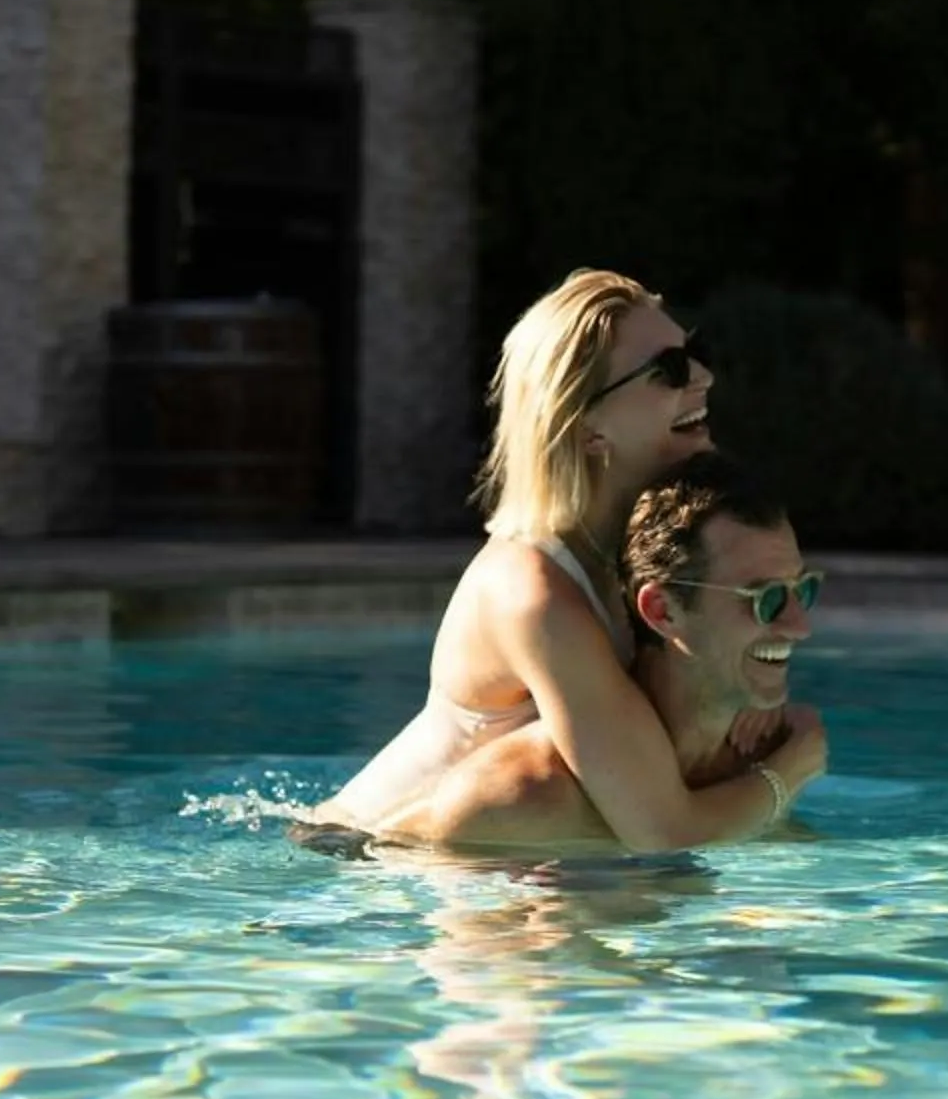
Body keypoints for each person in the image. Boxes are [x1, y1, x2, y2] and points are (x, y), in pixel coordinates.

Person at [312, 272, 825, 852]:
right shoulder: (531, 591)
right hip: (360, 863)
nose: (704, 378)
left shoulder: (642, 548)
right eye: (671, 370)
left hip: (487, 861)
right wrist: (790, 769)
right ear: (586, 425)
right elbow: (662, 832)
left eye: (695, 354)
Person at [338, 455, 825, 851]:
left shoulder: (758, 756)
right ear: (663, 610)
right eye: (765, 601)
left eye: (801, 592)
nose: (799, 626)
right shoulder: (524, 799)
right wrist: (781, 778)